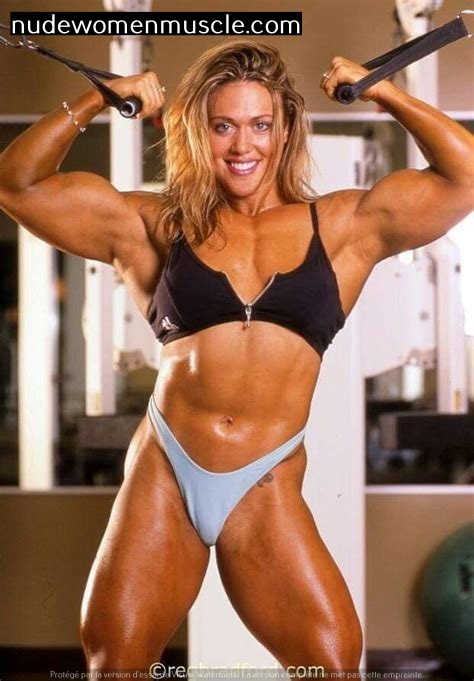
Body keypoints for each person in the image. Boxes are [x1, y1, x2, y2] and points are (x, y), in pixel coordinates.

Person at [0, 39, 472, 673]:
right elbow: (17, 184)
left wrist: (383, 91)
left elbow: (464, 176)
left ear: (285, 130)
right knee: (115, 664)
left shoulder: (342, 226)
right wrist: (96, 99)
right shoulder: (156, 224)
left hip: (265, 479)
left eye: (259, 125)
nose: (242, 145)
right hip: (167, 469)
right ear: (200, 133)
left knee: (333, 664)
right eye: (222, 126)